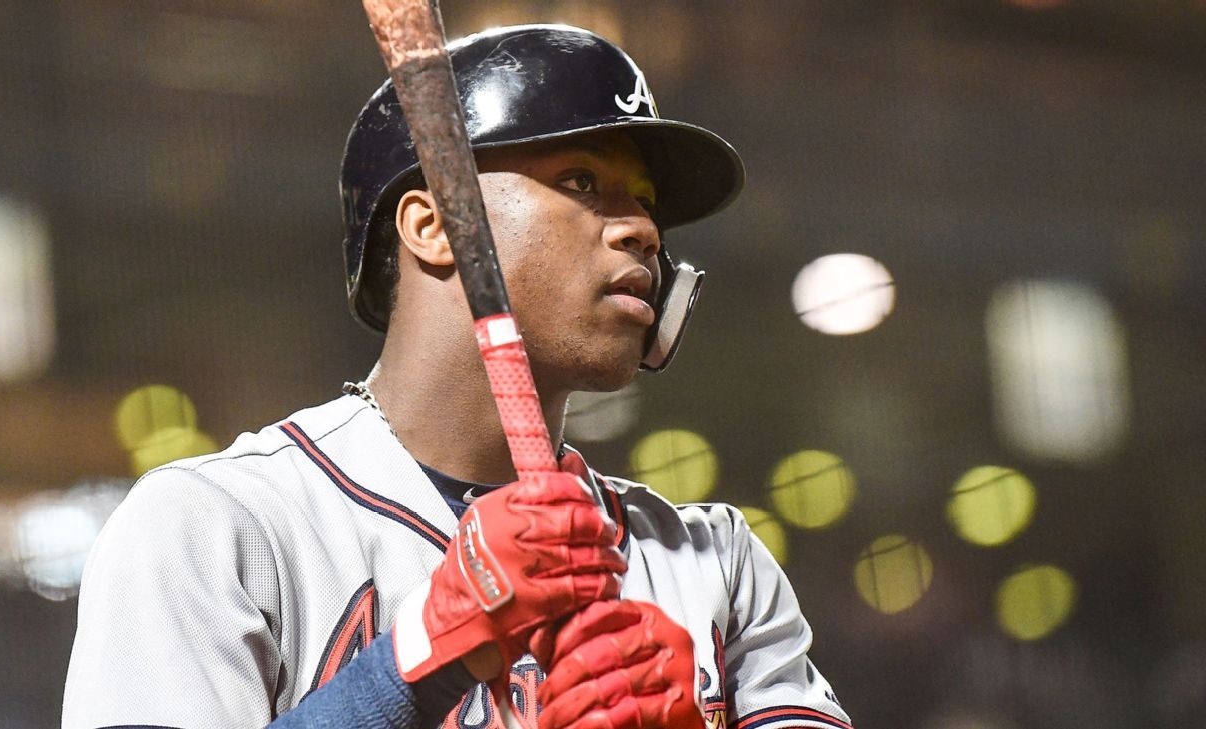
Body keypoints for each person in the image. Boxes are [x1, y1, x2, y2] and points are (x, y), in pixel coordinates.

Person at [63, 24, 852, 729]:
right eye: (582, 182)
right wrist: (418, 658)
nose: (643, 228)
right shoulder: (218, 528)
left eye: (645, 202)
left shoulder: (716, 561)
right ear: (433, 225)